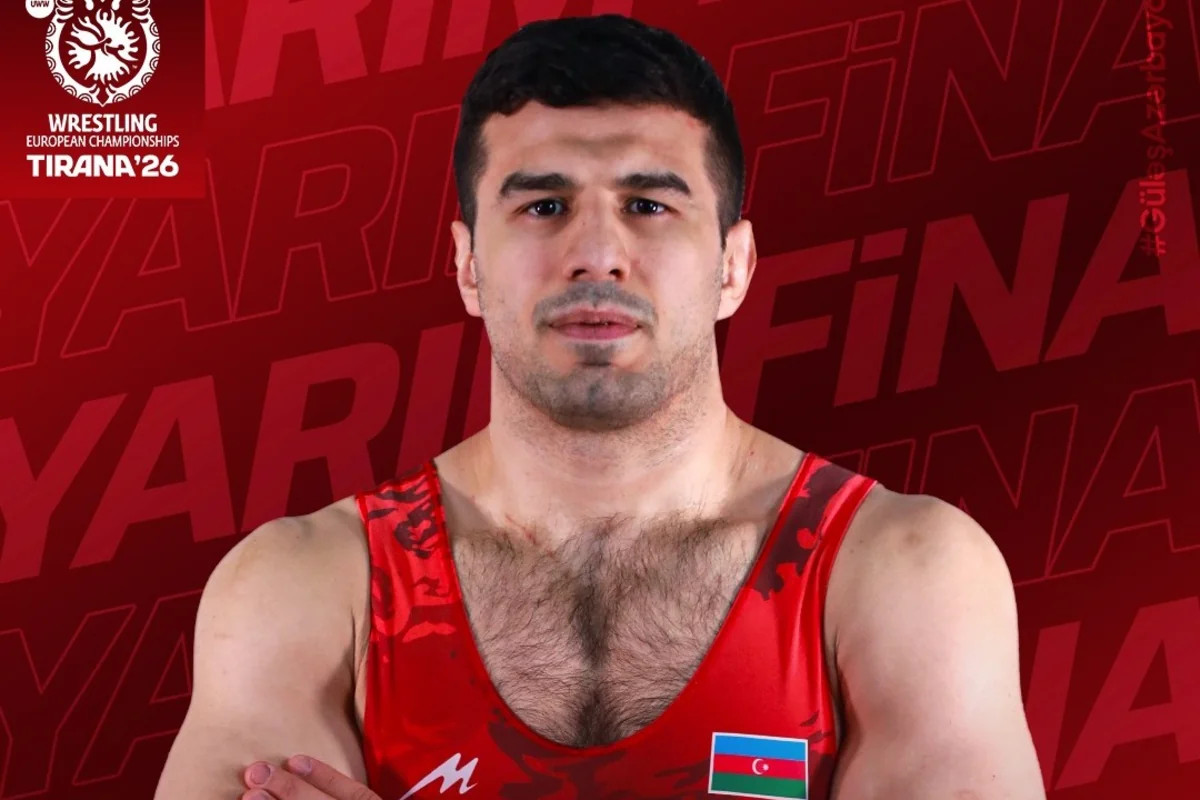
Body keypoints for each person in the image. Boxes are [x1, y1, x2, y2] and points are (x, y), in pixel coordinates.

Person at [154, 14, 1046, 800]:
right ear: (468, 266)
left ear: (733, 267)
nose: (596, 253)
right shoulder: (305, 590)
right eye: (544, 205)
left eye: (648, 204)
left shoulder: (902, 574)